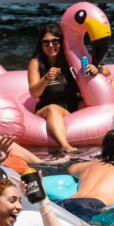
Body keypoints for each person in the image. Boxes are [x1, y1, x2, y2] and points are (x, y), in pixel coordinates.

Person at [27, 24, 83, 153]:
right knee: (53, 108)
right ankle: (65, 145)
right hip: (48, 107)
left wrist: (97, 69)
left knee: (89, 103)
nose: (51, 46)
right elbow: (34, 93)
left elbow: (106, 71)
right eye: (46, 43)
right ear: (41, 45)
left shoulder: (71, 59)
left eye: (55, 41)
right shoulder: (36, 62)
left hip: (73, 105)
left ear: (61, 42)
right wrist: (46, 78)